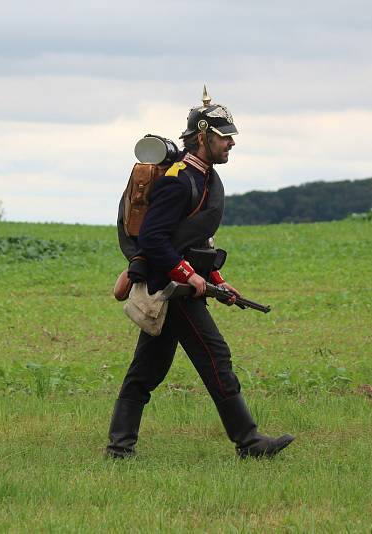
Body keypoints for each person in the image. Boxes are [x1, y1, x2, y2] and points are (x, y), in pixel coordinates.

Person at [107, 87, 294, 459]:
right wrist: (187, 275)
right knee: (216, 359)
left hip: (182, 284)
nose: (230, 144)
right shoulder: (178, 179)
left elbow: (196, 238)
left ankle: (118, 449)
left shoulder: (206, 179)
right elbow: (154, 239)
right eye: (224, 137)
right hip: (173, 290)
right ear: (204, 135)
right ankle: (250, 442)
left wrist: (218, 281)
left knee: (145, 373)